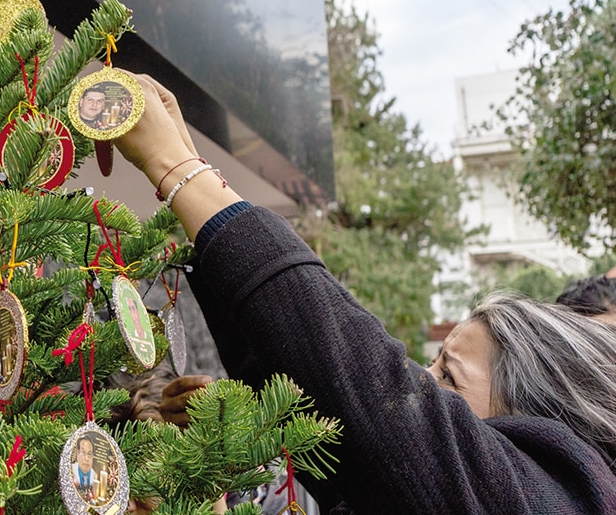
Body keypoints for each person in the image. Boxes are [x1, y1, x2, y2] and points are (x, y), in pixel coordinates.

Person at [116, 71, 616, 512]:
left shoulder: (562, 498)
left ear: (537, 420)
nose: (418, 381)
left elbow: (363, 389)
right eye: (434, 365)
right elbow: (325, 405)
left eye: (449, 378)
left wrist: (179, 169)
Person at [71, 436, 98, 502]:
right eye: (83, 453)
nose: (86, 458)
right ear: (77, 454)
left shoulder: (94, 476)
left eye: (89, 454)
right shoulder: (71, 472)